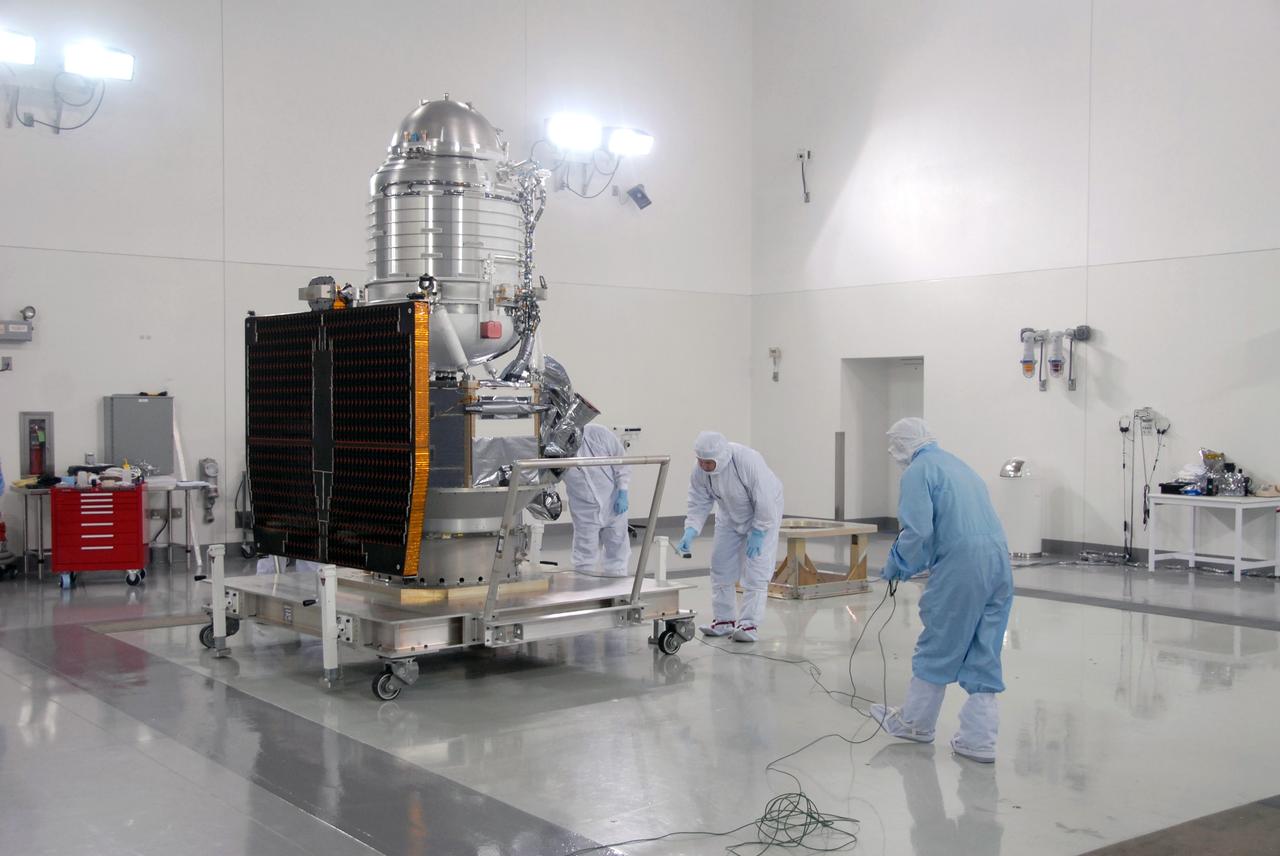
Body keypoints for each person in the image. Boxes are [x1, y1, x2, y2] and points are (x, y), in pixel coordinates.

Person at [869, 417, 1014, 764]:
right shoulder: (959, 465)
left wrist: (897, 565)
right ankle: (980, 740)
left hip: (962, 565)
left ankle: (916, 723)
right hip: (998, 563)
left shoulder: (919, 471)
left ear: (901, 446)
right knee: (984, 647)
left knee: (940, 640)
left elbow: (918, 530)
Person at [676, 431, 784, 643]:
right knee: (720, 564)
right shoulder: (700, 471)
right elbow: (698, 501)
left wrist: (760, 531)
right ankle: (724, 620)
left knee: (756, 569)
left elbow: (765, 499)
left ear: (721, 456)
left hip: (763, 514)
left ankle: (749, 623)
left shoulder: (747, 460)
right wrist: (691, 530)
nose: (705, 466)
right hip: (728, 516)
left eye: (709, 462)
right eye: (701, 461)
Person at [563, 423, 632, 577]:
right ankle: (583, 594)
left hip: (613, 503)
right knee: (584, 559)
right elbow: (548, 478)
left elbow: (622, 461)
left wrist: (623, 491)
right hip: (584, 510)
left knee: (618, 554)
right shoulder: (556, 448)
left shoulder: (598, 434)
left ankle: (618, 593)